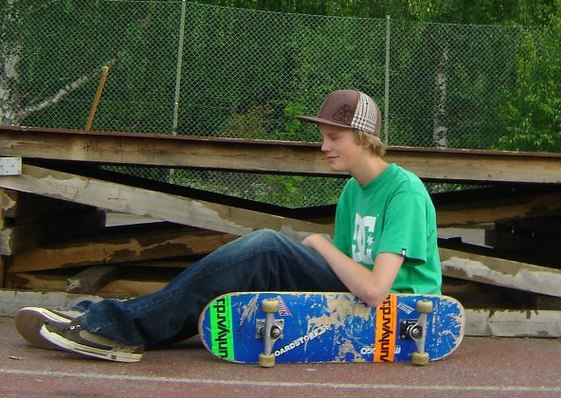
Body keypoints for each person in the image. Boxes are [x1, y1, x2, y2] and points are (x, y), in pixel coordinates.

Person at [14, 89, 442, 363]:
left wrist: (319, 245)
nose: (323, 147)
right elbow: (350, 270)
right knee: (258, 258)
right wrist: (323, 252)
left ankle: (113, 324)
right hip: (362, 298)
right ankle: (111, 326)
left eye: (335, 138)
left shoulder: (402, 192)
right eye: (324, 137)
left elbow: (374, 289)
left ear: (364, 139)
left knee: (268, 249)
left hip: (402, 312)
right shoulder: (354, 191)